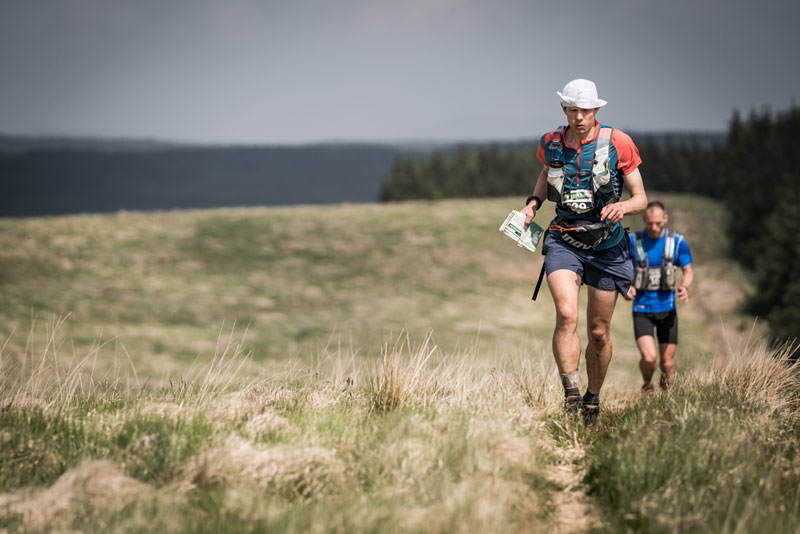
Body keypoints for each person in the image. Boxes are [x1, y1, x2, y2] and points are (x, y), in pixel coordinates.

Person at [521, 78, 647, 424]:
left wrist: (623, 209)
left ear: (597, 110)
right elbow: (545, 179)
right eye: (573, 110)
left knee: (598, 331)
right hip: (564, 239)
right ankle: (572, 394)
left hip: (607, 246)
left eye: (586, 111)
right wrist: (532, 206)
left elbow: (640, 197)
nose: (579, 117)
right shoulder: (551, 143)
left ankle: (593, 397)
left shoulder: (618, 143)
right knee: (566, 313)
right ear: (564, 109)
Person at [627, 200, 694, 394]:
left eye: (658, 223)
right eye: (649, 224)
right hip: (642, 309)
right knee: (649, 358)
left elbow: (688, 270)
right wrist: (626, 286)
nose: (654, 228)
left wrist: (684, 286)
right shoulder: (633, 241)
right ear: (644, 220)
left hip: (667, 310)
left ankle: (667, 397)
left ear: (665, 219)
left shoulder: (677, 241)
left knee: (667, 363)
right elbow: (621, 267)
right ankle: (647, 385)